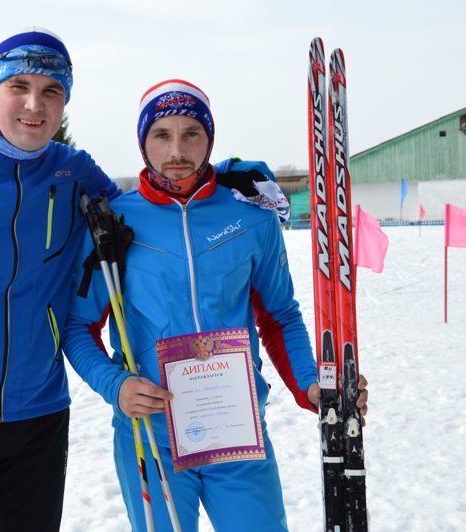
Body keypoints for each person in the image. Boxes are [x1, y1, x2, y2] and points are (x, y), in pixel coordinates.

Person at [0, 27, 282, 530]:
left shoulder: (73, 171)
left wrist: (223, 178)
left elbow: (151, 199)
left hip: (40, 418)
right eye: (18, 87)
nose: (34, 104)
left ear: (65, 102)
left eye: (52, 91)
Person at [62, 79, 369, 531]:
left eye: (192, 133)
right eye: (161, 135)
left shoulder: (250, 215)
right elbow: (78, 326)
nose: (177, 151)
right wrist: (116, 386)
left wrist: (310, 384)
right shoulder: (115, 221)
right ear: (143, 142)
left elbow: (280, 315)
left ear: (210, 137)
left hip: (237, 431)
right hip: (152, 437)